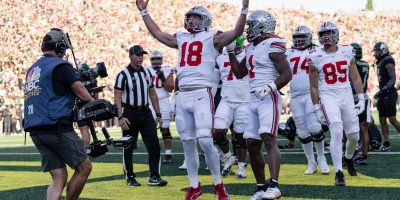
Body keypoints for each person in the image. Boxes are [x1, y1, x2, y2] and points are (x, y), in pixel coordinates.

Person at [135, 0, 249, 199]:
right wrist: (144, 12)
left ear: (205, 20)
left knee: (205, 140)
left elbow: (237, 31)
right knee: (188, 143)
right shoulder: (181, 37)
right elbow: (158, 34)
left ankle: (218, 184)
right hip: (182, 95)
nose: (190, 20)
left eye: (195, 17)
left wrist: (244, 8)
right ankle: (194, 186)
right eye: (189, 17)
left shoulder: (213, 36)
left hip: (201, 94)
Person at [229, 10, 292, 200]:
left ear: (263, 25)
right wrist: (231, 52)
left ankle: (274, 186)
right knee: (251, 143)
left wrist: (271, 87)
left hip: (268, 98)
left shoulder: (273, 44)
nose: (248, 30)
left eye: (251, 25)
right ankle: (260, 187)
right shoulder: (250, 48)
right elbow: (239, 72)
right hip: (252, 98)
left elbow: (286, 74)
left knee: (268, 138)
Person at [24, 28, 93, 200]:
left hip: (36, 131)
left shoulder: (32, 69)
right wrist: (91, 99)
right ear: (60, 47)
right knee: (84, 167)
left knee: (59, 176)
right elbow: (83, 94)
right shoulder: (60, 66)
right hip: (56, 128)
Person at [308, 21, 366, 186]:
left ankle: (348, 158)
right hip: (328, 96)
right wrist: (316, 107)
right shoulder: (314, 56)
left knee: (354, 136)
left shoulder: (347, 51)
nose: (326, 37)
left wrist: (361, 98)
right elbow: (313, 85)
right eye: (323, 34)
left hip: (346, 95)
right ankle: (339, 172)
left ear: (336, 34)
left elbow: (355, 77)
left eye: (329, 32)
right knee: (336, 130)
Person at [114, 44, 168, 187]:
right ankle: (130, 177)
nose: (140, 57)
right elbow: (117, 97)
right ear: (130, 56)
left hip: (145, 112)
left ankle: (154, 177)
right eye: (137, 55)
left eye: (141, 55)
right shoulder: (123, 75)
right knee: (128, 146)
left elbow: (152, 94)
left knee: (154, 145)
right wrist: (120, 117)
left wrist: (158, 113)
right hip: (129, 114)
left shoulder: (146, 72)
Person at [286, 25, 329, 175]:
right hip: (296, 96)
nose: (299, 41)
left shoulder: (317, 50)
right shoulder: (288, 52)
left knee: (315, 128)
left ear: (309, 37)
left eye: (302, 38)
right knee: (302, 132)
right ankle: (311, 162)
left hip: (311, 94)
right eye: (296, 38)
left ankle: (322, 158)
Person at [214, 36, 248, 178]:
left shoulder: (248, 55)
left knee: (240, 135)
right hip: (226, 99)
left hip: (244, 101)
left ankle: (241, 166)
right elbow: (214, 80)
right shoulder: (220, 58)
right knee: (218, 132)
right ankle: (229, 157)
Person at [147, 50, 175, 163]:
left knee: (165, 128)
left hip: (163, 100)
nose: (156, 61)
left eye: (158, 59)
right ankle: (154, 153)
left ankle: (168, 153)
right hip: (149, 101)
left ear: (162, 59)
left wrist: (162, 77)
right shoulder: (146, 70)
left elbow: (170, 88)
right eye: (153, 59)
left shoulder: (167, 70)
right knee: (150, 129)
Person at [372, 42, 400, 152]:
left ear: (383, 50)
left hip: (389, 93)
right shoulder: (381, 61)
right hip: (383, 93)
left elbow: (392, 79)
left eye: (377, 51)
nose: (375, 53)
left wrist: (383, 90)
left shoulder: (388, 60)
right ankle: (387, 143)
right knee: (382, 120)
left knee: (392, 119)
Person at [349, 43, 371, 165]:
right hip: (364, 97)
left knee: (347, 128)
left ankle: (349, 154)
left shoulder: (351, 64)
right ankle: (364, 156)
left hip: (351, 98)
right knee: (364, 129)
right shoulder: (366, 64)